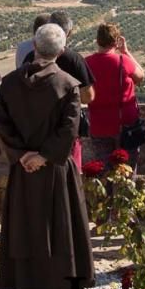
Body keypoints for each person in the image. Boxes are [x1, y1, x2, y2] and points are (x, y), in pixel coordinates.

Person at [0, 23, 94, 289]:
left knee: (25, 221)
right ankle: (59, 285)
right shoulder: (68, 85)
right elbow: (69, 129)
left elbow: (1, 122)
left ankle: (26, 284)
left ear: (35, 47)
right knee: (59, 222)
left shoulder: (11, 82)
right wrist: (44, 155)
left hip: (23, 166)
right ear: (62, 50)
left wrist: (22, 154)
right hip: (56, 167)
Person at [22, 11, 95, 171]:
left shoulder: (29, 58)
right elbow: (88, 96)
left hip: (34, 129)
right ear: (68, 33)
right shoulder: (73, 59)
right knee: (70, 177)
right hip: (65, 131)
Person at [84, 23, 145, 165]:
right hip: (125, 124)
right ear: (116, 41)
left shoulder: (86, 63)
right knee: (127, 170)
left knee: (103, 170)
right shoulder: (123, 61)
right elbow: (141, 76)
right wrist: (126, 51)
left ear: (97, 40)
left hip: (99, 124)